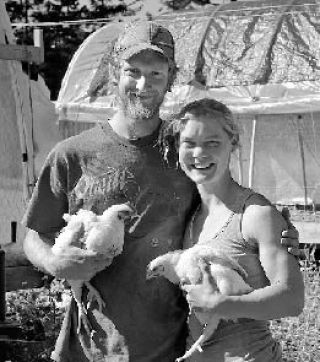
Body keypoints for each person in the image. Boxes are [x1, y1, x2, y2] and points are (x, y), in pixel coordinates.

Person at [22, 21, 299, 362]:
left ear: (171, 78)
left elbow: (229, 210)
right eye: (132, 71)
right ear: (113, 72)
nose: (143, 84)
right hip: (89, 346)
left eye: (156, 73)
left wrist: (277, 230)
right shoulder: (71, 155)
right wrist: (55, 261)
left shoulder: (183, 150)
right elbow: (35, 236)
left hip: (170, 345)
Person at [164, 98, 304, 361]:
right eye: (189, 143)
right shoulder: (191, 213)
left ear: (234, 144)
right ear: (177, 148)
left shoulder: (255, 214)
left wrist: (220, 305)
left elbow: (292, 299)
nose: (199, 153)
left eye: (212, 143)